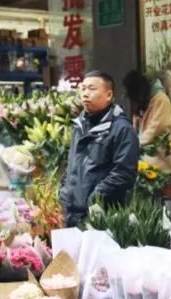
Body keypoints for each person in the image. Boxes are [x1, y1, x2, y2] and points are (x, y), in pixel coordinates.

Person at [60, 70, 140, 228]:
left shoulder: (121, 129)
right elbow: (72, 163)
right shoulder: (79, 126)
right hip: (72, 213)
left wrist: (95, 198)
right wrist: (64, 191)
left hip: (102, 215)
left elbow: (124, 173)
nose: (85, 94)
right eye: (83, 89)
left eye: (91, 89)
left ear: (109, 95)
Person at [123, 70, 171, 174]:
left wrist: (134, 144)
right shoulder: (145, 100)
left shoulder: (160, 99)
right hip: (145, 160)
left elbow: (157, 128)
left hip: (158, 161)